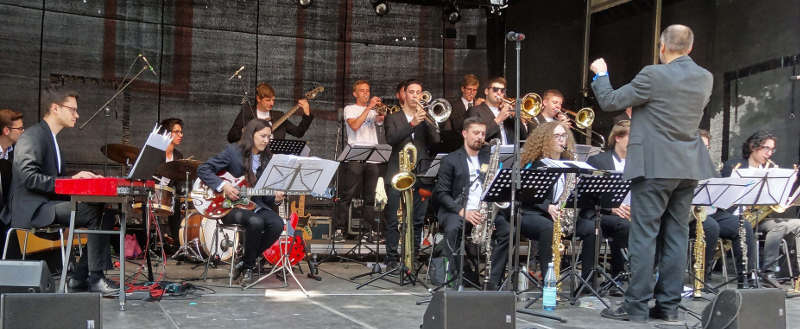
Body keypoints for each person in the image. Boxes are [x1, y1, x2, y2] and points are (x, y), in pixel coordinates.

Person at [591, 24, 715, 322]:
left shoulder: (653, 74)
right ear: (691, 48)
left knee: (644, 235)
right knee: (676, 235)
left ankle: (635, 306)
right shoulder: (705, 77)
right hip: (687, 166)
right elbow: (676, 111)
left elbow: (610, 101)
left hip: (654, 166)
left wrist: (600, 74)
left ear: (662, 47)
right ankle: (668, 306)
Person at [1, 87, 117, 294]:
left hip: (47, 204)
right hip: (33, 209)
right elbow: (29, 177)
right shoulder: (33, 136)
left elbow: (56, 180)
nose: (77, 115)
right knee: (95, 211)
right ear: (55, 108)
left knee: (106, 210)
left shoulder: (51, 139)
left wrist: (81, 182)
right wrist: (71, 180)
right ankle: (94, 278)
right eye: (72, 109)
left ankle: (80, 278)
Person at [197, 119, 285, 285]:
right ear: (252, 135)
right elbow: (203, 169)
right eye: (263, 136)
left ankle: (245, 261)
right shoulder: (233, 152)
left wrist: (276, 198)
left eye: (269, 137)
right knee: (256, 222)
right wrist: (224, 185)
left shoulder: (268, 159)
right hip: (230, 207)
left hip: (255, 205)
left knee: (277, 224)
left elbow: (264, 196)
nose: (266, 140)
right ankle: (249, 267)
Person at [494, 121, 575, 285]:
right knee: (547, 228)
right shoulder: (537, 164)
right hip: (528, 213)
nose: (561, 140)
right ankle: (548, 280)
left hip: (556, 214)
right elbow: (526, 195)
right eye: (557, 136)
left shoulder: (569, 165)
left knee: (591, 227)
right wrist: (548, 206)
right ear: (546, 139)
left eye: (563, 136)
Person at [434, 117, 508, 289]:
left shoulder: (488, 159)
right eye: (476, 133)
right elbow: (442, 194)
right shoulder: (450, 160)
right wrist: (462, 212)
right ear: (464, 133)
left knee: (507, 231)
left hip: (485, 211)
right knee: (453, 229)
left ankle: (493, 280)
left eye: (483, 134)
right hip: (458, 210)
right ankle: (453, 278)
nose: (480, 137)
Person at [720, 130, 800, 288]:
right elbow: (724, 197)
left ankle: (769, 272)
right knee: (752, 227)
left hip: (760, 217)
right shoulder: (734, 166)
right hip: (737, 216)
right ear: (753, 146)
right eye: (766, 148)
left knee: (793, 224)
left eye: (772, 150)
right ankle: (759, 274)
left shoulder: (771, 170)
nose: (770, 153)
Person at [383, 79, 440, 268]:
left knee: (417, 219)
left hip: (420, 173)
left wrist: (429, 120)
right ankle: (391, 258)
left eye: (419, 92)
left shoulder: (426, 118)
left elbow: (436, 141)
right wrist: (412, 123)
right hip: (397, 172)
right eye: (412, 92)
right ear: (404, 94)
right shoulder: (393, 117)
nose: (416, 95)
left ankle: (412, 257)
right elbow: (392, 139)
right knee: (392, 218)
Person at [693, 130, 756, 284]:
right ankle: (702, 277)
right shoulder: (681, 164)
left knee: (743, 226)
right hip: (689, 214)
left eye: (706, 147)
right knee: (711, 227)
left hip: (712, 211)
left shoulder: (709, 166)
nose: (704, 150)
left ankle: (746, 276)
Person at [574, 121, 631, 291]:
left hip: (628, 213)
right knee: (620, 225)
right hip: (598, 213)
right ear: (618, 138)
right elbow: (586, 194)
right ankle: (602, 277)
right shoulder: (598, 160)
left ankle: (625, 278)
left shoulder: (638, 162)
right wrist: (611, 207)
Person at [335, 80, 385, 242]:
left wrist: (379, 111)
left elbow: (380, 120)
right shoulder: (350, 109)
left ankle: (371, 231)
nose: (366, 93)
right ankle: (339, 230)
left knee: (371, 197)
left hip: (372, 157)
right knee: (347, 195)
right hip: (355, 156)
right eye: (362, 91)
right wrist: (369, 108)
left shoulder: (373, 111)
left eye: (368, 90)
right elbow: (355, 126)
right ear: (355, 93)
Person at [226, 82, 313, 142]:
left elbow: (298, 133)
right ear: (258, 99)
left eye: (273, 100)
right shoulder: (247, 113)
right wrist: (246, 130)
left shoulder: (279, 116)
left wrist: (307, 113)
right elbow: (231, 137)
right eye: (268, 100)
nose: (272, 103)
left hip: (273, 158)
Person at [436, 74, 484, 153]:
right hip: (458, 147)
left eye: (475, 90)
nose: (472, 93)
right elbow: (457, 125)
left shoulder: (481, 105)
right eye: (469, 89)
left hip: (477, 148)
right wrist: (473, 109)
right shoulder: (452, 105)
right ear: (462, 89)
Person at [466, 77, 519, 145]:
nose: (499, 93)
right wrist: (498, 119)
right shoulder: (475, 110)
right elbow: (475, 137)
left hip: (511, 153)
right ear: (486, 91)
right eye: (495, 89)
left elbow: (523, 135)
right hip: (489, 154)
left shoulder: (507, 111)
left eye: (502, 90)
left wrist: (515, 115)